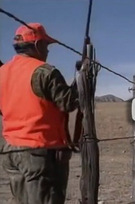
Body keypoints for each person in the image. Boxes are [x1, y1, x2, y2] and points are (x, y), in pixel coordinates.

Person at [0, 23, 79, 204]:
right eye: (46, 45)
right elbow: (68, 103)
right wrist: (81, 80)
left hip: (11, 149)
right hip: (39, 151)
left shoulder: (2, 72)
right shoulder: (44, 72)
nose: (48, 51)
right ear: (37, 45)